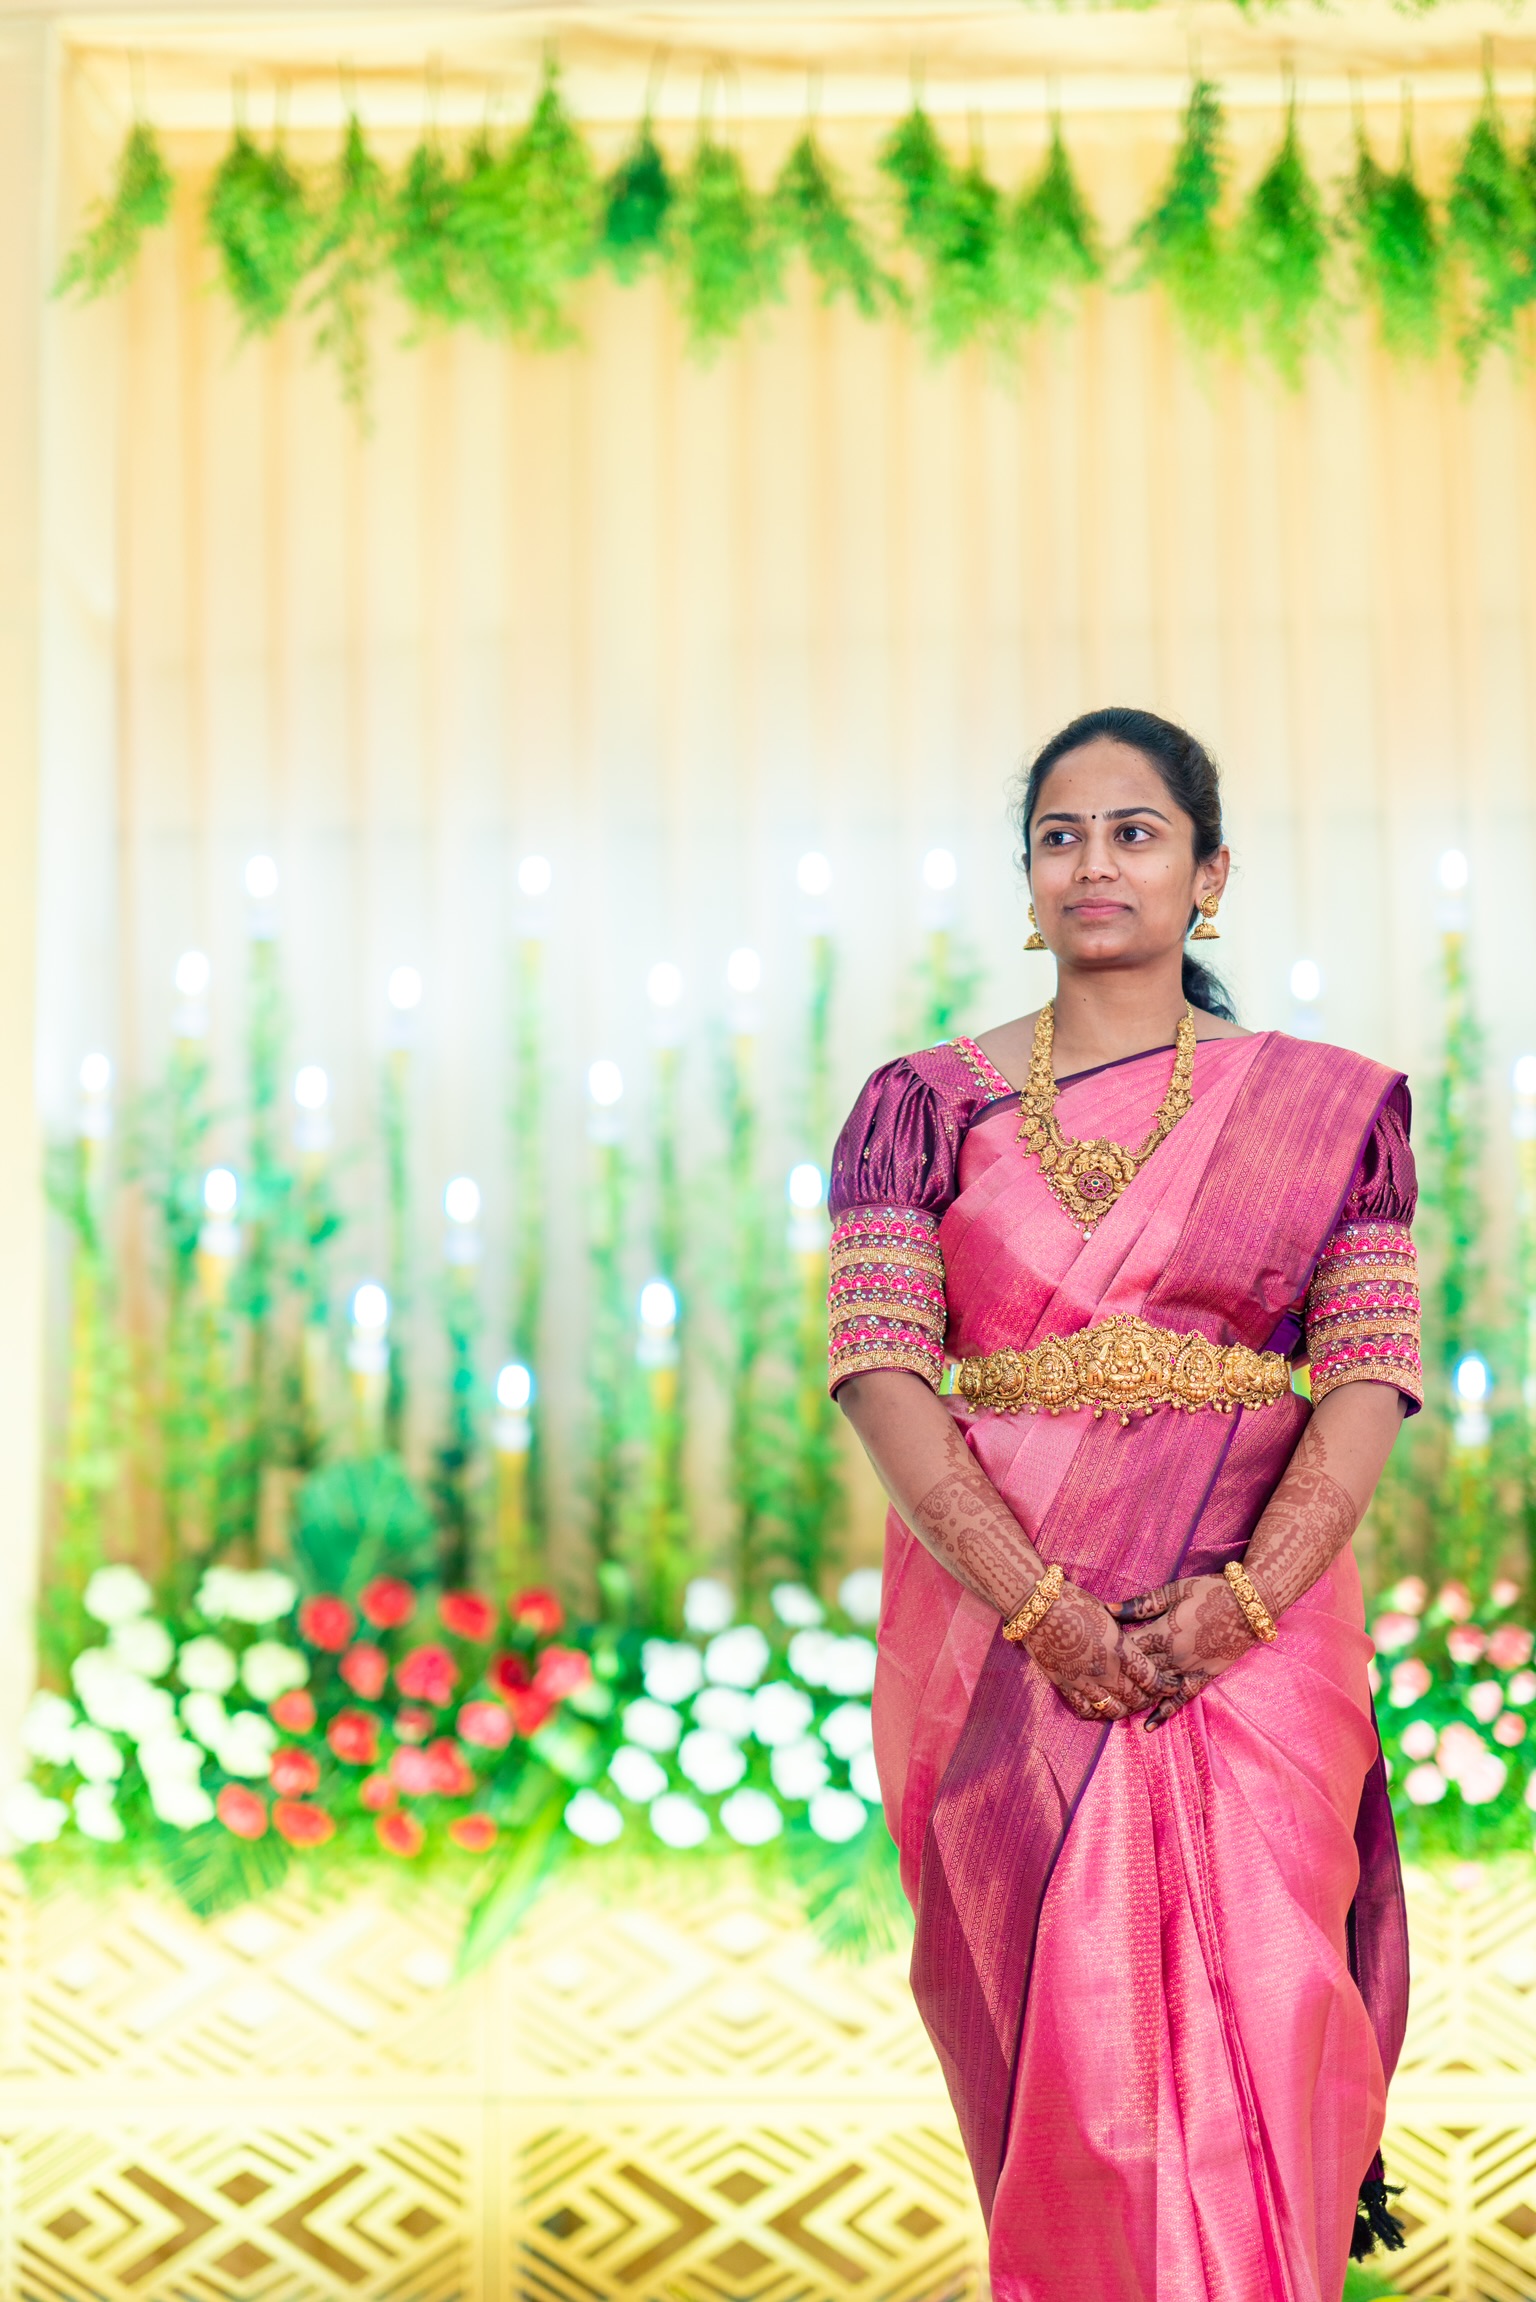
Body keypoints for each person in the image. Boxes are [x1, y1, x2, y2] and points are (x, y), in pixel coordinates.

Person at [828, 708, 1419, 2302]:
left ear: (1208, 874)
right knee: (1077, 2071)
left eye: (1136, 831)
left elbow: (1369, 1376)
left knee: (1271, 2023)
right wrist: (1045, 1614)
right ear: (1028, 880)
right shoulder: (917, 1106)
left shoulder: (1329, 1111)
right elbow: (880, 1372)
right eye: (1061, 834)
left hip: (1257, 1643)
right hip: (1006, 1650)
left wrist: (1240, 1603)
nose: (1096, 862)